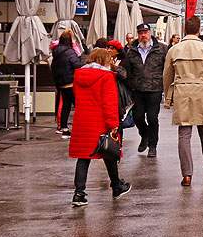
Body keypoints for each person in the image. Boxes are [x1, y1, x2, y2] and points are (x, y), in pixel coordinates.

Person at [163, 15, 203, 187]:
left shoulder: (174, 50)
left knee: (184, 134)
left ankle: (187, 175)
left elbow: (167, 76)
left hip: (182, 91)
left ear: (184, 30)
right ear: (198, 30)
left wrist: (169, 97)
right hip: (202, 92)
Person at [69, 48, 131, 207]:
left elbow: (76, 96)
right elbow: (109, 103)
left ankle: (79, 193)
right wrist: (113, 124)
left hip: (82, 121)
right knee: (109, 152)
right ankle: (116, 185)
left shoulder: (78, 75)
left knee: (83, 157)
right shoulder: (106, 77)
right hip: (99, 122)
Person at [122, 23, 167, 158]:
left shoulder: (161, 49)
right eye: (141, 33)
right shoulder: (132, 50)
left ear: (150, 33)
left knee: (153, 118)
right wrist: (131, 85)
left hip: (155, 88)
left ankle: (153, 145)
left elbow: (168, 67)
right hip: (138, 89)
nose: (143, 35)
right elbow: (127, 69)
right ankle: (145, 135)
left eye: (145, 32)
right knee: (137, 117)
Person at [52, 30, 82, 137]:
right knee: (79, 105)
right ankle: (80, 127)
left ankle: (64, 128)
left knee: (66, 105)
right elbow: (77, 65)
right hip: (70, 83)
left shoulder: (56, 51)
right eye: (72, 39)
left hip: (60, 83)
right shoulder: (69, 52)